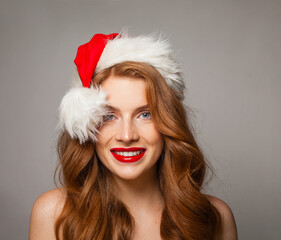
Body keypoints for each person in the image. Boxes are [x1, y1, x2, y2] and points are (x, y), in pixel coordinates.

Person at [29, 32, 237, 240]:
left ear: (169, 122)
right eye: (109, 116)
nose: (127, 136)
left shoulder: (214, 217)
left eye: (145, 114)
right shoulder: (53, 214)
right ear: (87, 124)